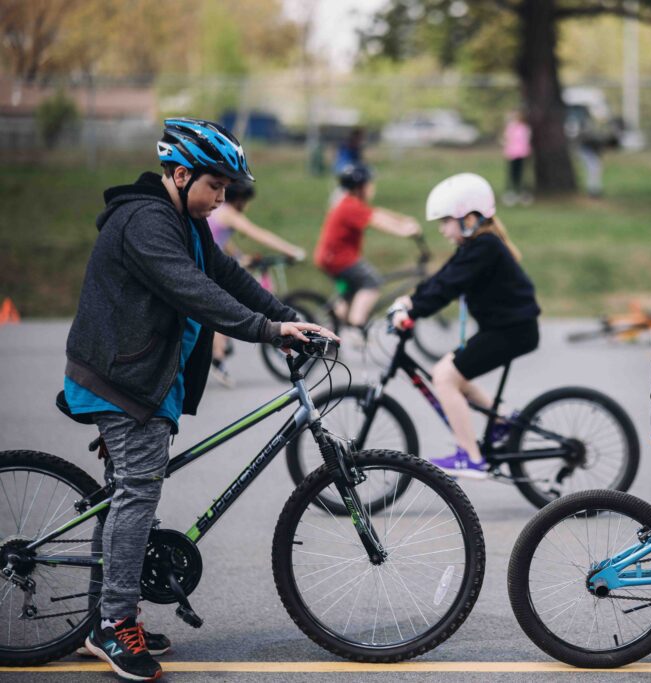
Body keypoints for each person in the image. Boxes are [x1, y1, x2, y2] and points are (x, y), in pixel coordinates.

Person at [62, 117, 333, 682]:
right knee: (138, 492)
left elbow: (229, 276)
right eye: (216, 187)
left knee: (127, 494)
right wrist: (265, 331)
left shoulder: (183, 222)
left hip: (144, 378)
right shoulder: (145, 223)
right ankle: (114, 624)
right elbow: (196, 292)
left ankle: (105, 615)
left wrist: (290, 319)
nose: (221, 199)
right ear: (181, 174)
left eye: (226, 190)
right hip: (121, 380)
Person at [389, 173, 541, 478]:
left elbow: (448, 287)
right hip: (506, 329)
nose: (442, 229)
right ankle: (500, 422)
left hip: (512, 331)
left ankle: (471, 457)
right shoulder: (476, 246)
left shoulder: (485, 247)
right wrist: (411, 301)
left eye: (446, 220)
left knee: (445, 377)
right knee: (444, 369)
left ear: (469, 219)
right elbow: (443, 278)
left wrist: (414, 310)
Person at [208, 180, 306, 387]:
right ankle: (218, 359)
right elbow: (259, 234)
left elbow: (220, 241)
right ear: (240, 199)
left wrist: (239, 256)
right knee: (223, 306)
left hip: (211, 262)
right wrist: (290, 250)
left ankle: (218, 349)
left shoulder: (220, 213)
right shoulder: (228, 213)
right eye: (247, 201)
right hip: (207, 268)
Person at [314, 162, 421, 330]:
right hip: (339, 259)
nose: (372, 187)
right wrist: (404, 231)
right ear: (360, 186)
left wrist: (402, 220)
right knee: (372, 281)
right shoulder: (350, 206)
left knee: (350, 293)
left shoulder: (350, 202)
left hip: (331, 258)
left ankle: (328, 330)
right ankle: (358, 325)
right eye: (370, 183)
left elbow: (376, 213)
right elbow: (377, 221)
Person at [501, 110, 532, 205]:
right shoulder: (511, 127)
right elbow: (507, 139)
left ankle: (522, 193)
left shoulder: (524, 128)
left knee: (521, 174)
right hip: (512, 154)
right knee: (512, 174)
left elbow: (525, 140)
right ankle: (511, 193)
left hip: (522, 153)